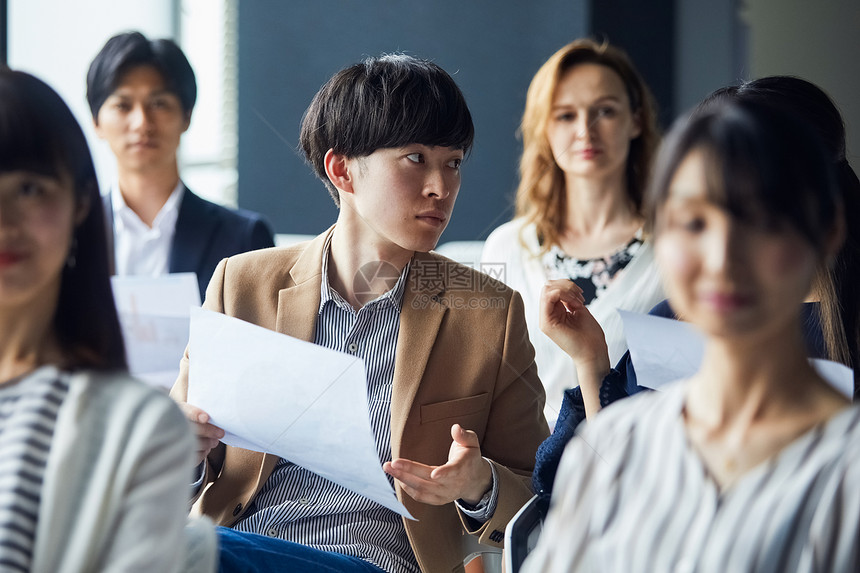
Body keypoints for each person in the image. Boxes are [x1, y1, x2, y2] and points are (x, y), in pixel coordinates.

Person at [170, 54, 549, 573]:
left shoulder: (487, 313)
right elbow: (163, 465)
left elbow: (539, 496)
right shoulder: (242, 284)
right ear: (342, 169)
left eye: (453, 161)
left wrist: (478, 483)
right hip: (239, 550)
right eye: (416, 158)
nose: (441, 186)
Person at [523, 98, 860, 572]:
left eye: (761, 221)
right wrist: (591, 360)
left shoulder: (846, 468)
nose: (722, 258)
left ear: (827, 232)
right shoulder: (619, 441)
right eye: (693, 222)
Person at [0, 69, 215, 572]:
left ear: (77, 204)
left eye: (29, 189)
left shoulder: (133, 427)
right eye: (123, 105)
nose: (4, 220)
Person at [481, 38, 664, 423]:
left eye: (605, 111)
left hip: (634, 466)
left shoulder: (677, 249)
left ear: (636, 120)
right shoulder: (505, 247)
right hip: (523, 474)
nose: (585, 130)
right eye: (565, 115)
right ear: (544, 129)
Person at [87, 31, 275, 300]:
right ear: (96, 122)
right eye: (123, 105)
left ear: (186, 115)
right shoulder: (71, 235)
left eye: (159, 104)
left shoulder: (244, 239)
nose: (141, 122)